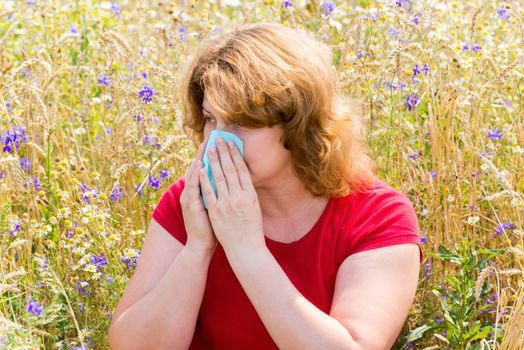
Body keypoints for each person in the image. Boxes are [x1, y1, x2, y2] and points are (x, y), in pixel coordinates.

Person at [108, 22, 422, 350]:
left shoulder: (377, 215)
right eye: (211, 119)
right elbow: (131, 345)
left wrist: (248, 251)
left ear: (298, 125)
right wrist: (198, 248)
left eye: (241, 123)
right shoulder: (190, 201)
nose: (217, 140)